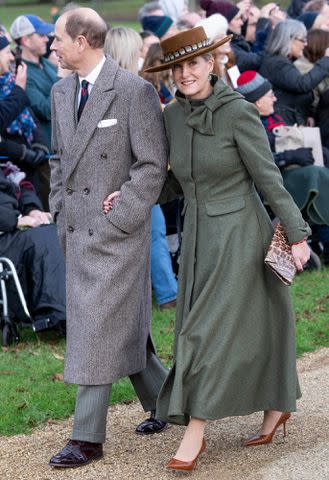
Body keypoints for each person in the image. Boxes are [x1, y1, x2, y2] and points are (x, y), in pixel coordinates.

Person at [141, 26, 311, 472]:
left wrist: (296, 234)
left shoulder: (238, 112)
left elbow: (268, 177)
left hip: (239, 232)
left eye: (192, 64)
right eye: (176, 67)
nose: (184, 74)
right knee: (244, 325)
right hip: (196, 236)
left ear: (212, 63)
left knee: (204, 332)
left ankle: (194, 431)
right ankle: (276, 405)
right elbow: (180, 180)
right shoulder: (172, 116)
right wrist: (132, 196)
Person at [48, 7, 169, 469]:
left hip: (118, 234)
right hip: (76, 230)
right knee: (120, 328)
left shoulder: (134, 91)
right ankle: (166, 401)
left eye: (59, 39)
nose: (54, 46)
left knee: (95, 326)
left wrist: (122, 213)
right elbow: (60, 159)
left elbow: (152, 164)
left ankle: (87, 437)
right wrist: (60, 208)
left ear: (83, 41)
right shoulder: (61, 91)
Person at [104, 26, 177, 309]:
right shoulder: (130, 88)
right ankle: (168, 293)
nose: (142, 56)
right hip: (133, 175)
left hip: (125, 175)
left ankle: (160, 291)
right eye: (137, 51)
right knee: (154, 231)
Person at [236, 70, 329, 265]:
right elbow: (257, 161)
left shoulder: (276, 117)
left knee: (319, 173)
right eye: (270, 95)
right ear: (258, 102)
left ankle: (308, 239)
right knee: (316, 176)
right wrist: (290, 156)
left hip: (285, 175)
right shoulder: (249, 123)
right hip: (267, 184)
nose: (275, 98)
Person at [0, 34, 50, 209]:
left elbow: (29, 115)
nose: (12, 57)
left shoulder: (8, 81)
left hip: (30, 167)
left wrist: (40, 144)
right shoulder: (16, 86)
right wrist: (21, 152)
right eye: (6, 52)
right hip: (10, 169)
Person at [258, 19, 329, 126]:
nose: (305, 44)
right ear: (288, 39)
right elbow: (302, 84)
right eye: (302, 40)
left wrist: (308, 114)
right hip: (281, 126)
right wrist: (326, 59)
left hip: (289, 121)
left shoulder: (282, 61)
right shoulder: (278, 64)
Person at [10, 14, 58, 149]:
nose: (46, 39)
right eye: (41, 35)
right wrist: (63, 77)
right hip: (48, 151)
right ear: (26, 40)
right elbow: (46, 110)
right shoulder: (21, 73)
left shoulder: (47, 63)